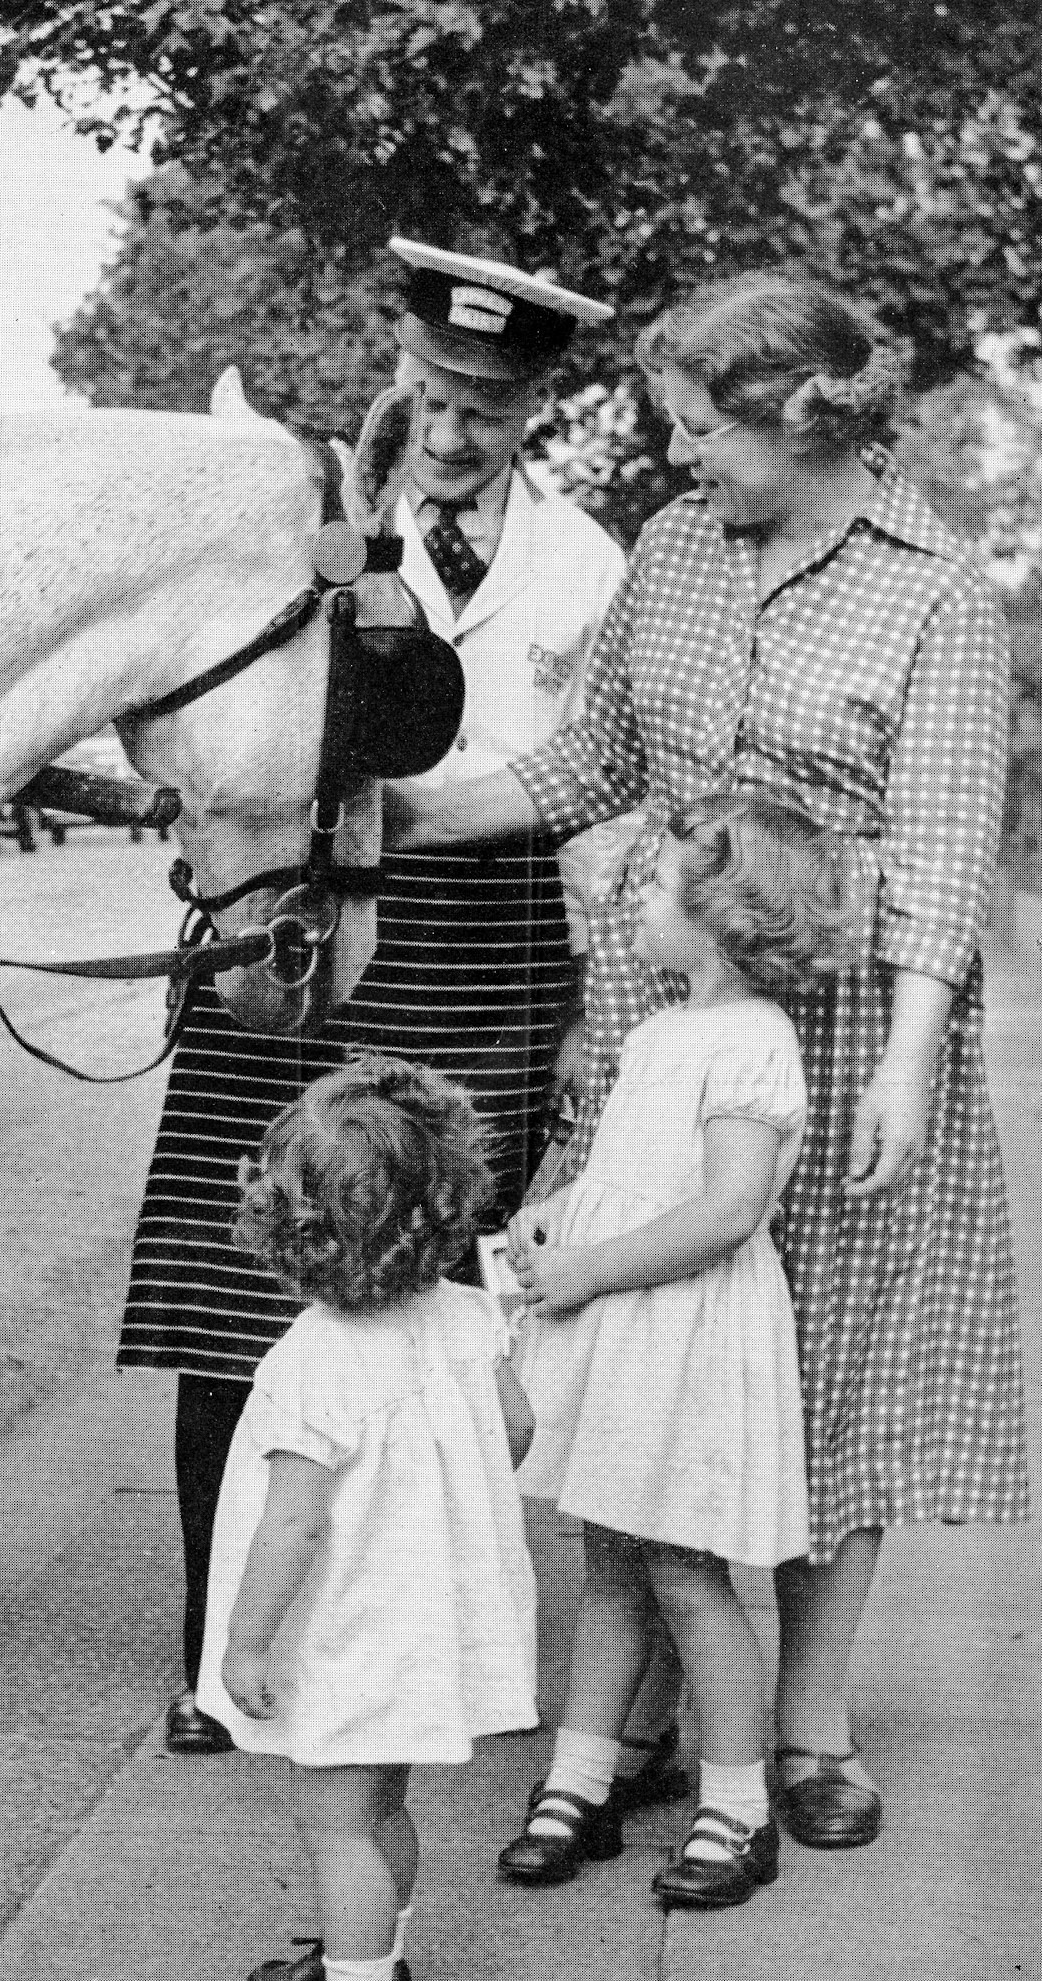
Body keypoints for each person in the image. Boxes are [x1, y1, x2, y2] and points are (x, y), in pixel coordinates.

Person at [384, 270, 1030, 1853]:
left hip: (857, 1025)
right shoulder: (675, 550)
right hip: (650, 1019)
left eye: (693, 426)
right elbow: (588, 757)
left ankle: (806, 1722)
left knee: (830, 1370)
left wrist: (909, 1061)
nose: (675, 457)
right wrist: (389, 815)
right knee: (646, 1342)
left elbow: (949, 849)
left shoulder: (938, 587)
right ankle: (657, 1708)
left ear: (801, 415)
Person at [117, 239, 676, 1785]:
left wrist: (591, 1010)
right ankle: (212, 1655)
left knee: (444, 1306)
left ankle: (422, 1640)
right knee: (238, 1303)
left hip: (492, 945)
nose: (449, 432)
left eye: (487, 408)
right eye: (433, 393)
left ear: (536, 406)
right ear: (400, 367)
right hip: (297, 931)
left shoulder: (589, 564)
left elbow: (602, 792)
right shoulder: (299, 525)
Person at [497, 795, 849, 1909]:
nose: (634, 902)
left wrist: (595, 1268)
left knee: (690, 1576)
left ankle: (738, 1805)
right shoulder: (655, 1032)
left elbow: (726, 1209)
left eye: (653, 888)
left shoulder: (754, 1041)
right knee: (608, 1561)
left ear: (724, 915)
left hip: (689, 1335)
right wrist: (557, 1215)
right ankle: (582, 1775)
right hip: (627, 1332)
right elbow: (623, 1176)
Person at [197, 1056, 537, 1981]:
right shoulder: (472, 1315)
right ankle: (373, 1958)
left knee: (337, 1817)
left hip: (351, 1623)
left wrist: (248, 1643)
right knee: (383, 1803)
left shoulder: (315, 1356)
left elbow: (293, 1521)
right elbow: (516, 1427)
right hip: (426, 1609)